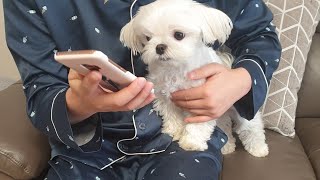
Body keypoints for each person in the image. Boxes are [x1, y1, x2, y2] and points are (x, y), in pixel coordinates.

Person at [3, 0, 281, 179]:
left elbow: (260, 36)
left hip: (183, 144)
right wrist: (80, 103)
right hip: (87, 147)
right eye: (148, 38)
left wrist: (241, 79)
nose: (159, 44)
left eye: (178, 35)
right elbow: (40, 91)